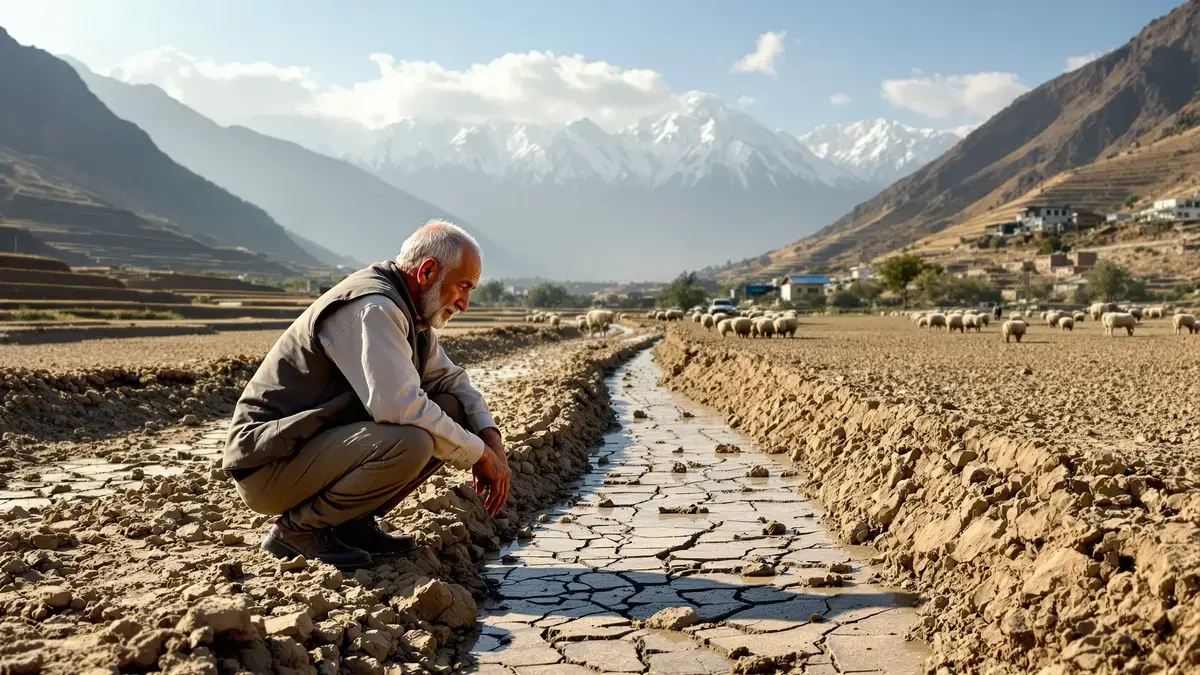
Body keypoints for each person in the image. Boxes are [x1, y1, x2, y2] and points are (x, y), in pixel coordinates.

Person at [222, 219, 512, 569]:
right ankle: (300, 530)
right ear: (428, 271)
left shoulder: (411, 312)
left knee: (453, 409)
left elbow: (451, 381)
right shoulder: (374, 308)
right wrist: (479, 456)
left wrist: (489, 437)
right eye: (462, 287)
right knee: (411, 442)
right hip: (269, 465)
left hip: (308, 448)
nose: (464, 303)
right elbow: (399, 407)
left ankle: (349, 523)